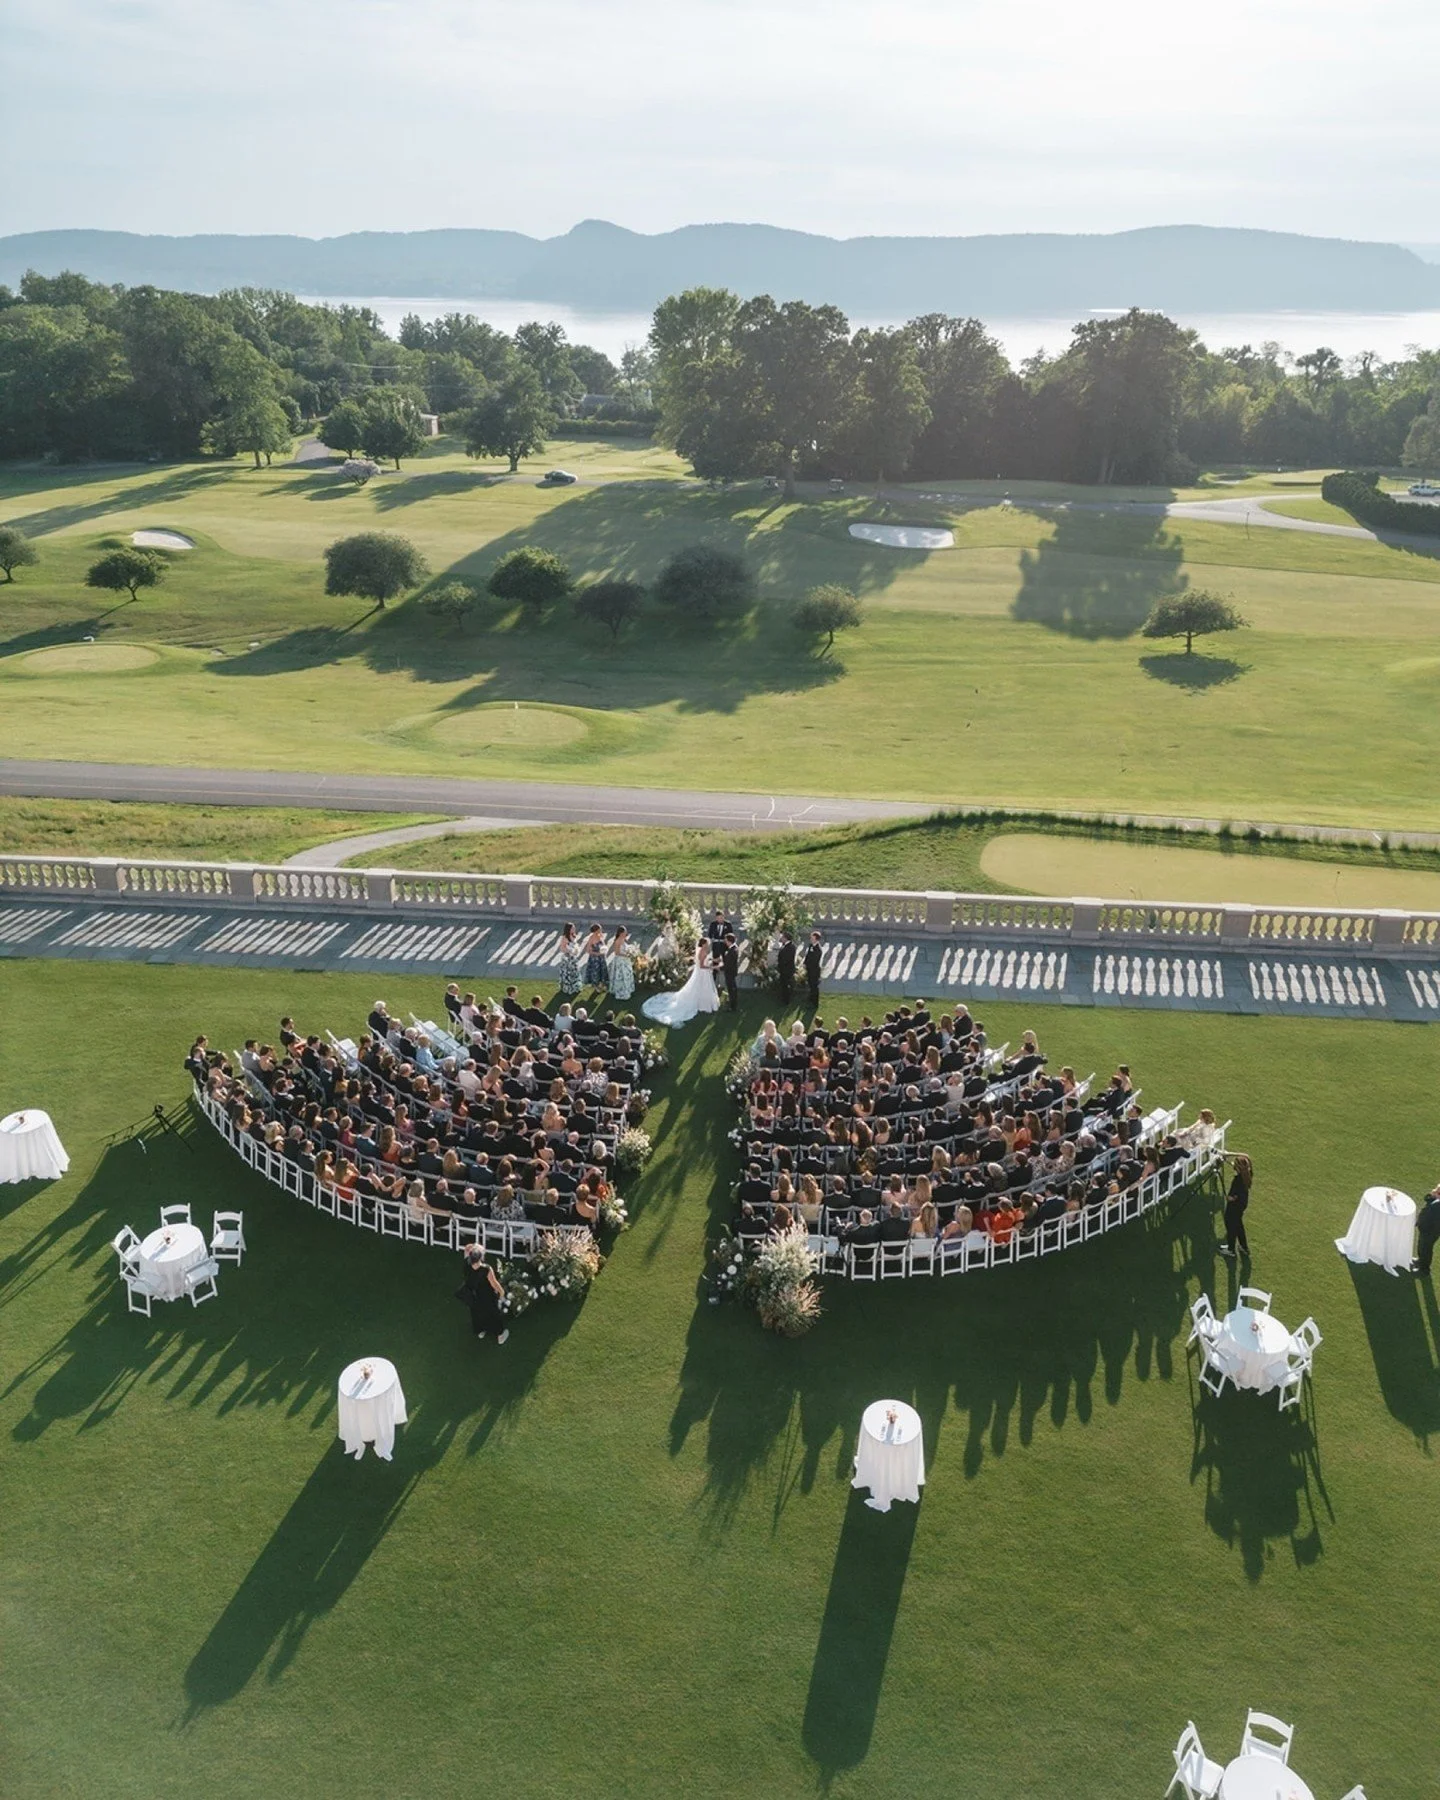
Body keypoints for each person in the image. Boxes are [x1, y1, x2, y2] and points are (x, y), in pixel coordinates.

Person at [641, 938, 720, 1027]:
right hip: (702, 973)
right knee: (701, 987)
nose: (708, 944)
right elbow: (701, 966)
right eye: (707, 943)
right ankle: (702, 1004)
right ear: (703, 944)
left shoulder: (703, 950)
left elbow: (707, 959)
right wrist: (713, 967)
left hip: (704, 973)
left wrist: (714, 960)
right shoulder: (701, 951)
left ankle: (703, 1002)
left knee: (703, 987)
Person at [457, 1244, 509, 1343]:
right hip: (486, 1294)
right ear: (480, 1258)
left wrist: (473, 1247)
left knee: (477, 1312)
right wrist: (502, 1292)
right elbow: (494, 1283)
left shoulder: (466, 1264)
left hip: (473, 1293)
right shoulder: (486, 1269)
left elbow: (467, 1248)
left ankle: (481, 1330)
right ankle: (500, 1335)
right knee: (493, 1312)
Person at [1219, 1152, 1253, 1257]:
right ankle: (1243, 1247)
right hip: (1242, 1204)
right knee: (1238, 1225)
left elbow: (1232, 1197)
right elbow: (1245, 1157)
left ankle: (1231, 1249)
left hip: (1234, 1206)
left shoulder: (1237, 1180)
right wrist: (1227, 1159)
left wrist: (1229, 1198)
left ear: (1238, 1168)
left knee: (1231, 1226)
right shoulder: (1248, 1173)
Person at [1412, 1184, 1440, 1276]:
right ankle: (1420, 1261)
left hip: (1430, 1232)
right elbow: (1427, 1200)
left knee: (1426, 1249)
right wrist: (1432, 1195)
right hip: (1426, 1229)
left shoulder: (1437, 1204)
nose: (1434, 1190)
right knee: (1421, 1246)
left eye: (1437, 1191)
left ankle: (1424, 1269)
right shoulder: (1435, 1201)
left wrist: (1422, 1225)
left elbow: (1432, 1219)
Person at [608, 926, 636, 1002]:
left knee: (627, 974)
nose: (626, 933)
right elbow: (617, 953)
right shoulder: (617, 941)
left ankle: (628, 988)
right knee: (622, 975)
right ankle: (621, 990)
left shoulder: (623, 939)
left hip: (625, 960)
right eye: (624, 932)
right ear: (621, 933)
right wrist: (626, 955)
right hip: (620, 961)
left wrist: (630, 950)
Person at [557, 923, 583, 997]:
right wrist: (570, 951)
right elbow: (562, 948)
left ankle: (576, 987)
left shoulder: (574, 935)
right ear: (568, 929)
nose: (574, 929)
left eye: (574, 928)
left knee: (575, 972)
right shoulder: (564, 937)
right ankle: (568, 988)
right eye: (572, 928)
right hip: (567, 958)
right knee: (568, 973)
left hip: (573, 958)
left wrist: (576, 950)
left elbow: (575, 945)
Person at [581, 924, 609, 991]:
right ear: (596, 930)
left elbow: (603, 945)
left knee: (602, 971)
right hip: (595, 959)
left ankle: (602, 984)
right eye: (600, 929)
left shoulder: (600, 936)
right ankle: (596, 986)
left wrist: (604, 950)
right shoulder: (591, 938)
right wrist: (597, 953)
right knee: (596, 972)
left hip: (601, 958)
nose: (601, 930)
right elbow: (587, 950)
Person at [803, 931, 823, 1014]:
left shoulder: (818, 950)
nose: (810, 939)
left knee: (814, 987)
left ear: (816, 939)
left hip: (814, 971)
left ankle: (815, 1003)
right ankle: (810, 999)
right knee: (811, 985)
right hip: (809, 969)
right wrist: (805, 963)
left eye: (812, 938)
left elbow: (814, 961)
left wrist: (808, 965)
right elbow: (808, 955)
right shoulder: (811, 945)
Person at [721, 931, 740, 1013]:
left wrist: (720, 967)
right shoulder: (733, 948)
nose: (725, 942)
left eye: (726, 940)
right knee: (731, 989)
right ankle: (732, 1003)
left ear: (729, 941)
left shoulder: (733, 950)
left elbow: (729, 964)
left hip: (730, 972)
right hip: (731, 972)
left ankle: (733, 1006)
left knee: (732, 989)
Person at [776, 930, 797, 1007]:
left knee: (786, 985)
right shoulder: (785, 945)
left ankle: (786, 1000)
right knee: (783, 984)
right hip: (784, 969)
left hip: (787, 970)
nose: (781, 938)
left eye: (782, 937)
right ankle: (783, 997)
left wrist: (780, 965)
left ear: (785, 938)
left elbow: (786, 959)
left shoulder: (791, 947)